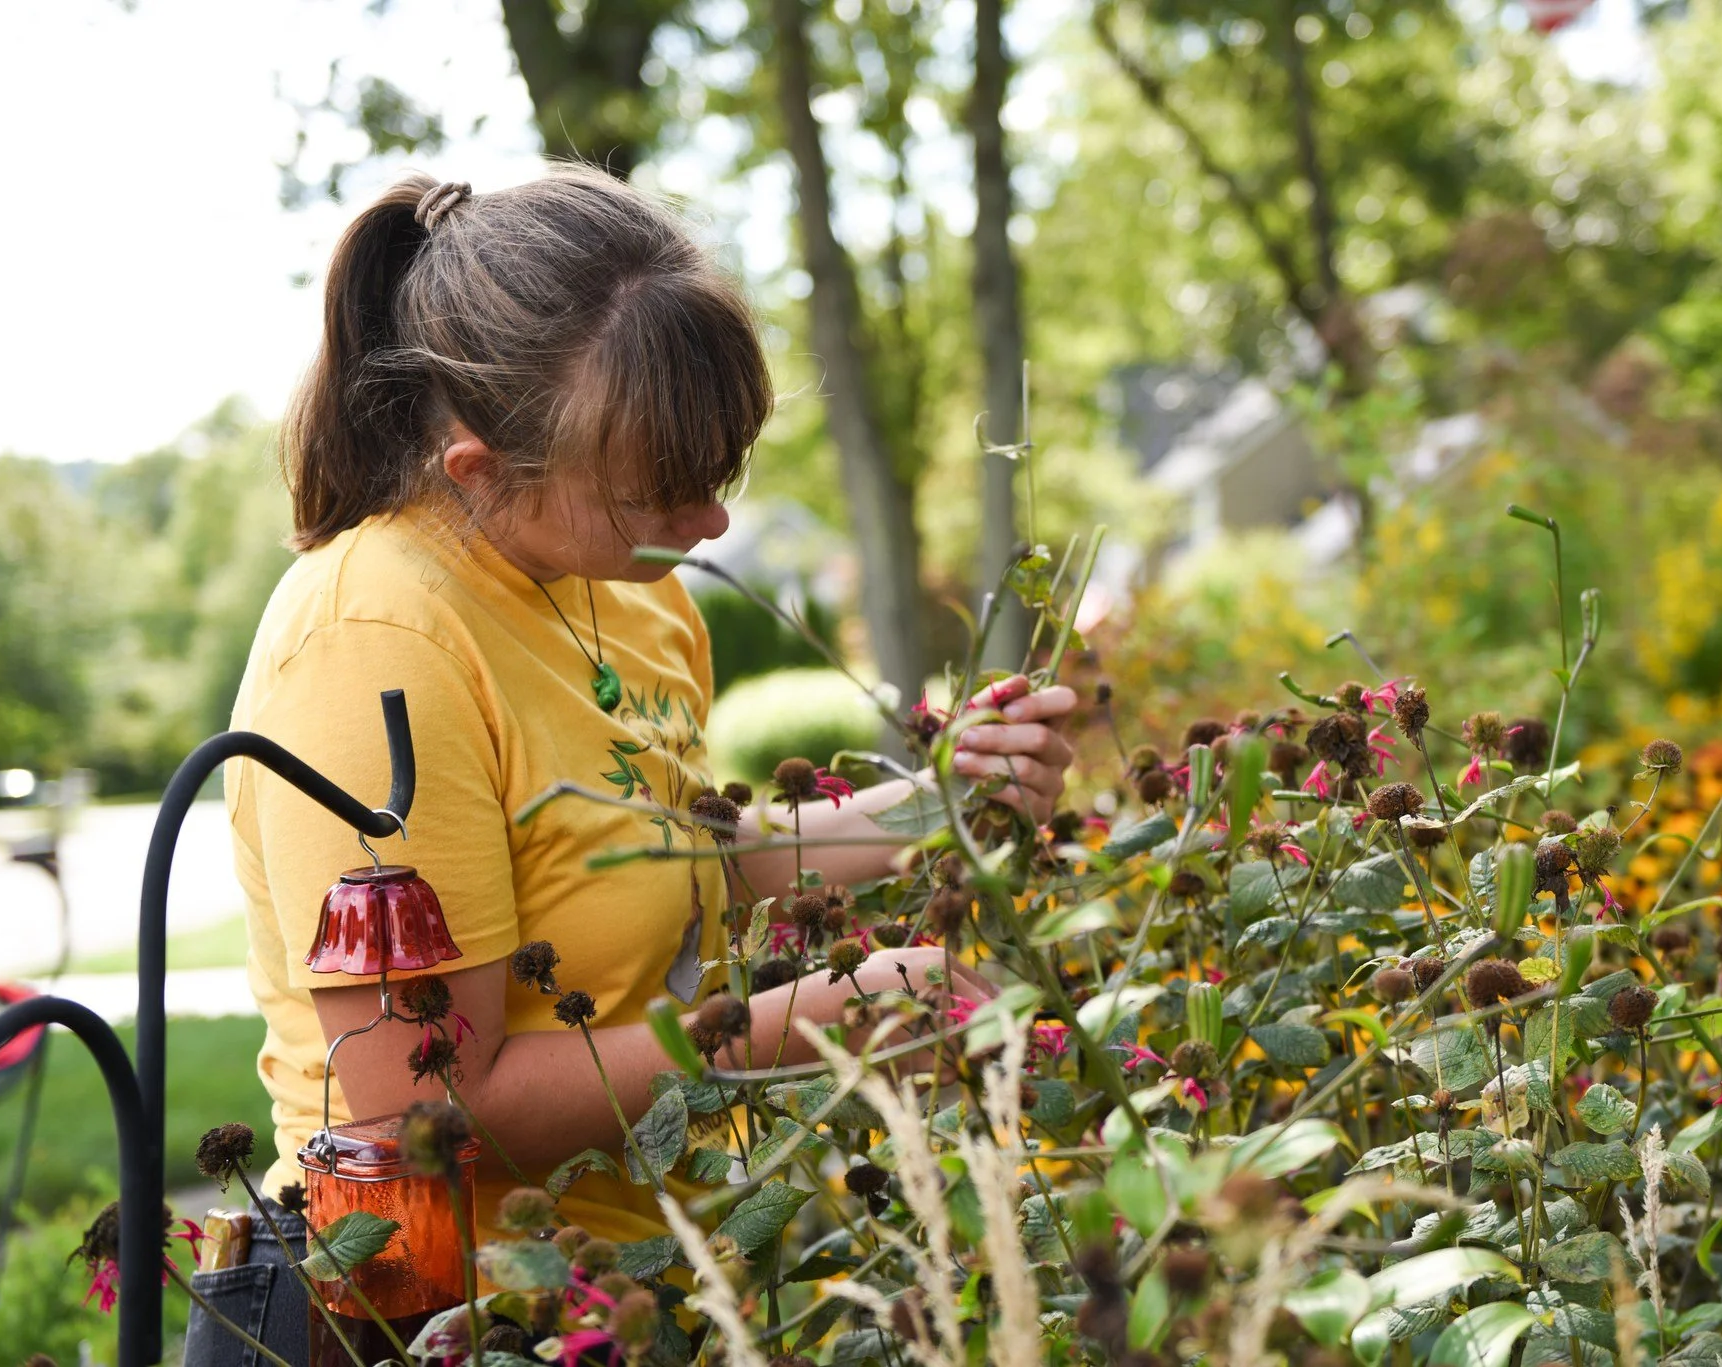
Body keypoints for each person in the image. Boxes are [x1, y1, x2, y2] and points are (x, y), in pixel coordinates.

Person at [186, 167, 1075, 1364]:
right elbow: (422, 1108)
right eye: (658, 486)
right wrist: (826, 1017)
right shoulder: (377, 643)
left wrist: (935, 803)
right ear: (481, 467)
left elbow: (652, 855)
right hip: (418, 1314)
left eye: (721, 468)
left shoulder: (637, 598)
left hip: (621, 1292)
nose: (708, 521)